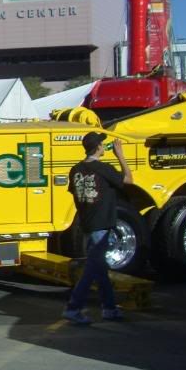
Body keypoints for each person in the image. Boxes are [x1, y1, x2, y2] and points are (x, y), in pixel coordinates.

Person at [64, 131, 133, 325]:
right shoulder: (104, 169)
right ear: (98, 148)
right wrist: (121, 155)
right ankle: (73, 307)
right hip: (101, 224)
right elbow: (128, 180)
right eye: (102, 144)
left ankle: (109, 308)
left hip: (86, 223)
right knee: (92, 269)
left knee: (100, 267)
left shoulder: (75, 169)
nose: (104, 146)